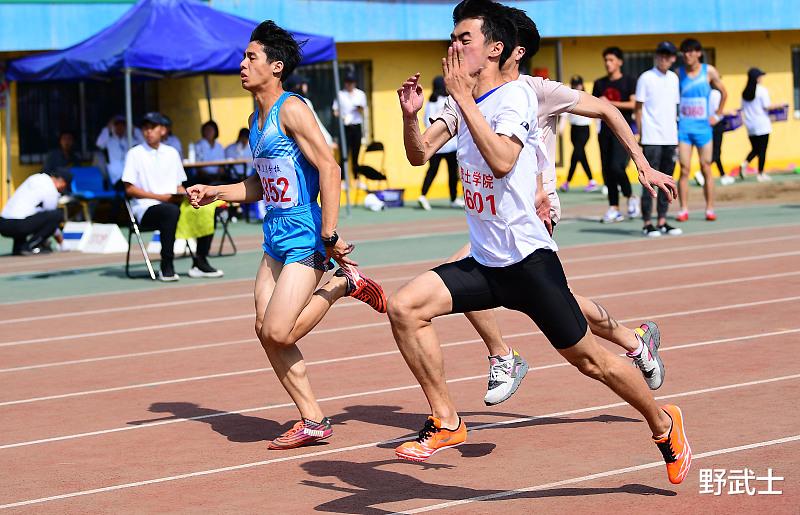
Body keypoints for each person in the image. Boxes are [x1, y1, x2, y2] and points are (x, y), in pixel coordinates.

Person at [393, 0, 690, 486]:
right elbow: (419, 154)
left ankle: (662, 422)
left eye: (463, 39)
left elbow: (504, 161)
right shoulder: (457, 100)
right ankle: (448, 419)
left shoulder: (519, 97)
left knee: (590, 361)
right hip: (486, 262)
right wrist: (411, 116)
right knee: (405, 308)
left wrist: (464, 101)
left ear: (496, 49)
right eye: (454, 37)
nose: (453, 46)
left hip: (529, 260)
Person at [433, 4, 675, 406]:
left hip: (534, 209)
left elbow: (606, 109)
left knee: (466, 272)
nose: (464, 49)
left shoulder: (537, 90)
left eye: (477, 40)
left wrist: (643, 163)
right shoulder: (473, 94)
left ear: (512, 50)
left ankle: (503, 356)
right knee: (551, 298)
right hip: (495, 212)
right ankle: (635, 340)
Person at [187, 20, 387, 450]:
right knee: (264, 329)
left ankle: (342, 284)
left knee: (280, 333)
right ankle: (313, 419)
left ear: (275, 67)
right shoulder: (255, 118)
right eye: (243, 57)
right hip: (274, 233)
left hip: (304, 233)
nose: (241, 64)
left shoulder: (292, 109)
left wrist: (330, 235)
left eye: (250, 57)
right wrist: (215, 192)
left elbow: (330, 169)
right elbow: (261, 184)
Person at [122, 112, 223, 282]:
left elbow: (178, 185)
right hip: (145, 208)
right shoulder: (135, 153)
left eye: (152, 127)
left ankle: (200, 261)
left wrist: (188, 195)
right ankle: (166, 264)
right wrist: (162, 197)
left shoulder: (172, 152)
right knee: (169, 212)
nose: (148, 131)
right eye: (145, 128)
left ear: (163, 130)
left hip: (172, 203)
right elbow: (129, 189)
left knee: (208, 206)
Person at [675, 38, 727, 222]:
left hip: (704, 128)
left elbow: (724, 92)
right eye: (684, 52)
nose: (687, 55)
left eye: (691, 51)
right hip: (684, 129)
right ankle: (683, 209)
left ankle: (710, 208)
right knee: (684, 169)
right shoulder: (678, 73)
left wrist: (718, 115)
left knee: (706, 167)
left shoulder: (709, 71)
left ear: (698, 53)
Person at [635, 42, 682, 238]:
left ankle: (662, 220)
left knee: (667, 181)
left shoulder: (674, 78)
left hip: (669, 137)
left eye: (668, 55)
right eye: (661, 54)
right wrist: (640, 134)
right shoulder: (646, 77)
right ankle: (647, 223)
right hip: (651, 138)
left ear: (673, 58)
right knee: (649, 182)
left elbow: (674, 109)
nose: (665, 58)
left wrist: (676, 135)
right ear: (656, 56)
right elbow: (638, 108)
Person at [592, 47, 639, 223]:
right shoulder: (599, 84)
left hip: (623, 132)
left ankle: (630, 196)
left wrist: (609, 103)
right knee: (607, 170)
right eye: (606, 60)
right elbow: (593, 106)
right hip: (604, 132)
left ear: (620, 62)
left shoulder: (629, 81)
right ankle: (614, 207)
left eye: (611, 60)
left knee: (617, 167)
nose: (608, 63)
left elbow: (633, 104)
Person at [418, 76, 462, 210]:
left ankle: (423, 195)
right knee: (452, 174)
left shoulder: (430, 103)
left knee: (432, 171)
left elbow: (426, 122)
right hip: (450, 144)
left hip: (436, 146)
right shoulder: (448, 100)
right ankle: (453, 199)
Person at [0, 171, 69, 255]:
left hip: (3, 224)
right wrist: (62, 243)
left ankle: (19, 248)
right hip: (19, 225)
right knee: (56, 215)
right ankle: (31, 246)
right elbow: (51, 221)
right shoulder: (51, 191)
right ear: (62, 183)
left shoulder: (36, 177)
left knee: (25, 213)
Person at [740, 68, 780, 183]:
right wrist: (780, 105)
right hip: (762, 124)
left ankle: (744, 163)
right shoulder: (762, 90)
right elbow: (767, 106)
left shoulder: (744, 92)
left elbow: (742, 109)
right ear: (756, 78)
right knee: (762, 150)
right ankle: (761, 173)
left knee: (755, 149)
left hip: (750, 125)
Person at [559, 76, 597, 193]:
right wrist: (561, 127)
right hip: (573, 130)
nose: (577, 87)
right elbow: (565, 114)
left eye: (578, 84)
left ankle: (568, 182)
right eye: (574, 85)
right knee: (580, 155)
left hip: (584, 130)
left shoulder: (586, 96)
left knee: (576, 155)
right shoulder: (570, 97)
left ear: (582, 84)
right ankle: (591, 181)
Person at [333, 73, 368, 188]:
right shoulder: (340, 94)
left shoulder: (360, 94)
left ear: (355, 83)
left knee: (355, 153)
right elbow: (335, 111)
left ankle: (357, 179)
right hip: (345, 126)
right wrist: (342, 116)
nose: (349, 85)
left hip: (356, 125)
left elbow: (364, 109)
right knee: (344, 154)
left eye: (351, 83)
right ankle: (343, 180)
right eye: (348, 82)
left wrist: (358, 108)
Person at [285, 74, 337, 150]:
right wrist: (328, 141)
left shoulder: (284, 102)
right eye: (304, 84)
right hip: (308, 146)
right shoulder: (304, 102)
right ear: (298, 86)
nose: (306, 86)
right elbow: (315, 124)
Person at [96, 115, 143, 186]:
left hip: (130, 175)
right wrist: (108, 127)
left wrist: (131, 127)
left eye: (123, 125)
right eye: (117, 125)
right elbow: (99, 143)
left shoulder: (129, 140)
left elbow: (143, 141)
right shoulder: (109, 141)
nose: (120, 127)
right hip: (116, 177)